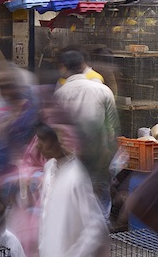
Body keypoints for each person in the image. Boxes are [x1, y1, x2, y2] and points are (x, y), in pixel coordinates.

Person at [54, 49, 119, 220]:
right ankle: (101, 234)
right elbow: (112, 129)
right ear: (83, 66)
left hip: (71, 157)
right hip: (99, 156)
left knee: (76, 200)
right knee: (100, 201)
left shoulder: (60, 93)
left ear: (64, 68)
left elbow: (56, 130)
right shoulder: (104, 90)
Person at [35, 124, 110, 257]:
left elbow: (95, 226)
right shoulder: (49, 168)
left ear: (59, 142)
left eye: (43, 140)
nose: (37, 145)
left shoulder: (77, 176)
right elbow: (45, 216)